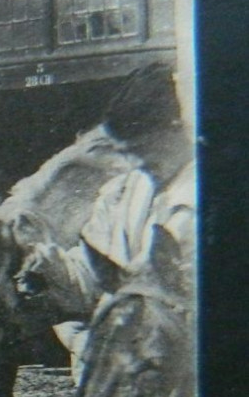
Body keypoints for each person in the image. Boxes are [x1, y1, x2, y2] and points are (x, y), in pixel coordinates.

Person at [17, 63, 195, 336]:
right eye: (126, 152)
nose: (135, 163)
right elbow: (95, 277)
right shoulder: (123, 195)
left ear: (177, 129)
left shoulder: (210, 196)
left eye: (142, 149)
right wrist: (50, 270)